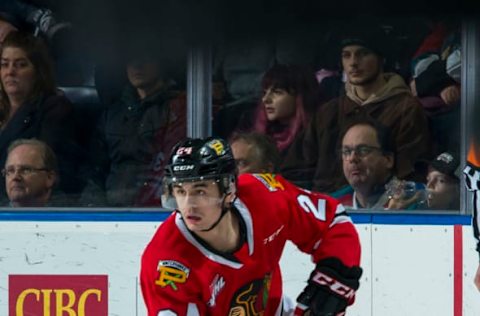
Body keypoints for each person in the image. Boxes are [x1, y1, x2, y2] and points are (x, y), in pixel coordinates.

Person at [140, 137, 362, 315]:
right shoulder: (166, 264)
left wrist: (330, 288)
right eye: (181, 191)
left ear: (229, 191)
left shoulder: (265, 196)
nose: (189, 205)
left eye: (200, 190)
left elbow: (333, 221)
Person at [281, 24, 432, 192]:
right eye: (347, 56)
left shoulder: (405, 109)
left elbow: (410, 175)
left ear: (381, 59)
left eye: (363, 54)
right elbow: (295, 170)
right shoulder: (328, 112)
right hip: (323, 210)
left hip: (378, 210)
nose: (353, 63)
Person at [85, 48, 186, 206]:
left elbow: (168, 169)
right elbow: (95, 171)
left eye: (146, 57)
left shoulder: (177, 109)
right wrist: (94, 208)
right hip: (109, 211)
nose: (137, 66)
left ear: (161, 62)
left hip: (155, 207)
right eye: (131, 59)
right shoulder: (113, 113)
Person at [0, 31, 81, 202]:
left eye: (21, 65)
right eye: (4, 64)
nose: (10, 72)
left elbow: (50, 170)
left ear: (38, 71)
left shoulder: (55, 109)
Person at [333, 118, 425, 210]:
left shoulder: (417, 199)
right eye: (346, 152)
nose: (352, 158)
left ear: (388, 160)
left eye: (363, 150)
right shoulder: (332, 205)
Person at [250, 63, 322, 155]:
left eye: (277, 92)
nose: (265, 99)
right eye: (264, 92)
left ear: (300, 97)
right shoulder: (256, 132)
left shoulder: (315, 138)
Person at [3, 138, 58, 207]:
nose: (15, 177)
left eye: (26, 170)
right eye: (10, 170)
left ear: (49, 178)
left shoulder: (67, 214)